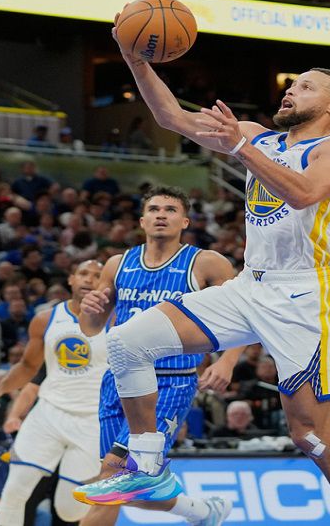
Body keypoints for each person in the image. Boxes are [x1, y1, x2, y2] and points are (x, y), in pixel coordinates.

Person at [74, 12, 330, 526]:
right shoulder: (256, 136)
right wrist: (135, 60)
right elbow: (172, 117)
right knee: (128, 342)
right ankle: (148, 463)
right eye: (291, 84)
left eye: (305, 87)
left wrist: (240, 146)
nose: (290, 90)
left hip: (305, 297)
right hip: (249, 286)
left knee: (311, 436)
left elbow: (304, 192)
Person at [75, 186, 243, 526]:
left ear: (184, 220)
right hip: (118, 382)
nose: (161, 214)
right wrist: (88, 309)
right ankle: (202, 512)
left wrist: (227, 361)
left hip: (170, 383)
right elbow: (91, 328)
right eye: (154, 209)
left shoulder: (206, 262)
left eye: (169, 209)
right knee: (123, 484)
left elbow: (243, 314)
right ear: (142, 220)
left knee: (114, 474)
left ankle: (200, 511)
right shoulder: (117, 264)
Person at [0, 261, 107, 525]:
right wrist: (0, 388)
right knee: (14, 491)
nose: (89, 280)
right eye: (84, 273)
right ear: (71, 279)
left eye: (97, 276)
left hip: (93, 421)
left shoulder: (119, 319)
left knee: (69, 510)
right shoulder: (46, 319)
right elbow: (28, 366)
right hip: (48, 413)